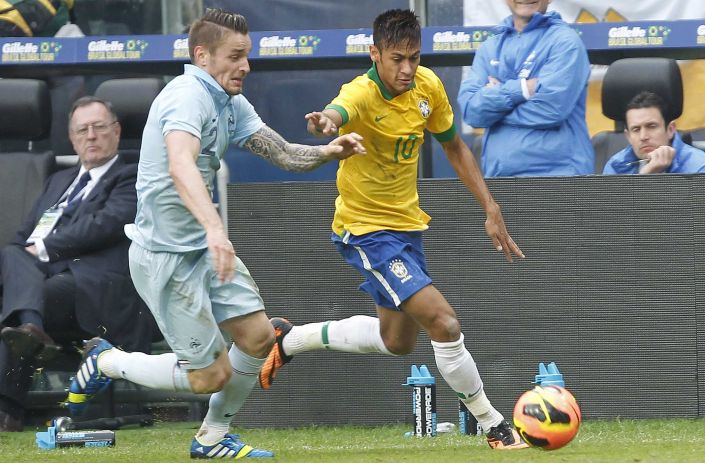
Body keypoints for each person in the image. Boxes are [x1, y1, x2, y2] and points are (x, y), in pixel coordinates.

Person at [65, 8, 365, 459]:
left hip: (205, 250)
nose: (246, 65)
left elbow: (280, 151)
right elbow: (180, 164)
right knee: (211, 377)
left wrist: (328, 151)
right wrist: (215, 231)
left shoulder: (229, 100)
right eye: (236, 56)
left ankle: (210, 439)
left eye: (248, 55)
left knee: (260, 338)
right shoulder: (186, 97)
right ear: (203, 56)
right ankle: (107, 361)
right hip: (166, 257)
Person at [259, 9, 527, 451]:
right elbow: (336, 112)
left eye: (415, 57)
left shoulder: (428, 86)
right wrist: (326, 124)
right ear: (375, 54)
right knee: (444, 323)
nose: (407, 68)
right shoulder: (360, 93)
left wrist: (490, 206)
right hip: (365, 230)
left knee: (397, 341)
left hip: (407, 228)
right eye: (397, 58)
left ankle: (295, 338)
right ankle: (493, 424)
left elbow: (455, 147)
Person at [0, 96, 157, 432]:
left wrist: (38, 250)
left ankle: (9, 407)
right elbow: (22, 237)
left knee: (26, 291)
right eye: (82, 130)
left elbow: (104, 224)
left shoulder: (132, 176)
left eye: (99, 127)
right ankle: (30, 330)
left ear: (115, 132)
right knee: (12, 258)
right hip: (44, 282)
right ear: (72, 138)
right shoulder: (58, 181)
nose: (91, 136)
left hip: (97, 285)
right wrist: (20, 256)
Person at [457, 0, 594, 177]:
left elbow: (551, 109)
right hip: (499, 180)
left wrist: (494, 109)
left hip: (559, 178)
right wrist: (522, 89)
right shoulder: (489, 47)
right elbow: (471, 111)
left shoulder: (566, 42)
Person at [603, 91, 705, 175]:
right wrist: (646, 174)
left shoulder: (699, 166)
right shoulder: (615, 166)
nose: (643, 137)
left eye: (651, 126)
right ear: (628, 136)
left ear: (670, 130)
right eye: (636, 129)